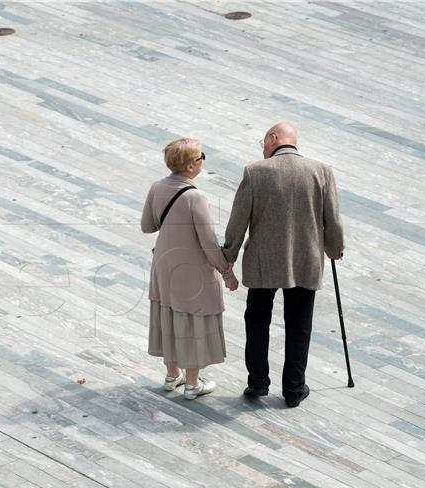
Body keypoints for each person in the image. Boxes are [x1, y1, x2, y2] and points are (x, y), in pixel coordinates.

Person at [222, 123, 344, 407]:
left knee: (257, 320)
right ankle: (293, 389)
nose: (263, 149)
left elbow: (238, 220)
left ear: (273, 139)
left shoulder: (255, 172)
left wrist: (228, 255)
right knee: (299, 325)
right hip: (306, 259)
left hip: (264, 262)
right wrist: (334, 250)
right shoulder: (322, 171)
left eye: (263, 142)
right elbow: (333, 220)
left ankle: (258, 383)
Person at [142, 138, 238, 400]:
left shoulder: (156, 187)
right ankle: (193, 384)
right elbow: (208, 243)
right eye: (200, 157)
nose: (203, 161)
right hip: (191, 271)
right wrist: (227, 273)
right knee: (191, 322)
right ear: (189, 166)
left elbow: (147, 226)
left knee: (168, 315)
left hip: (163, 264)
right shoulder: (195, 197)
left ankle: (172, 375)